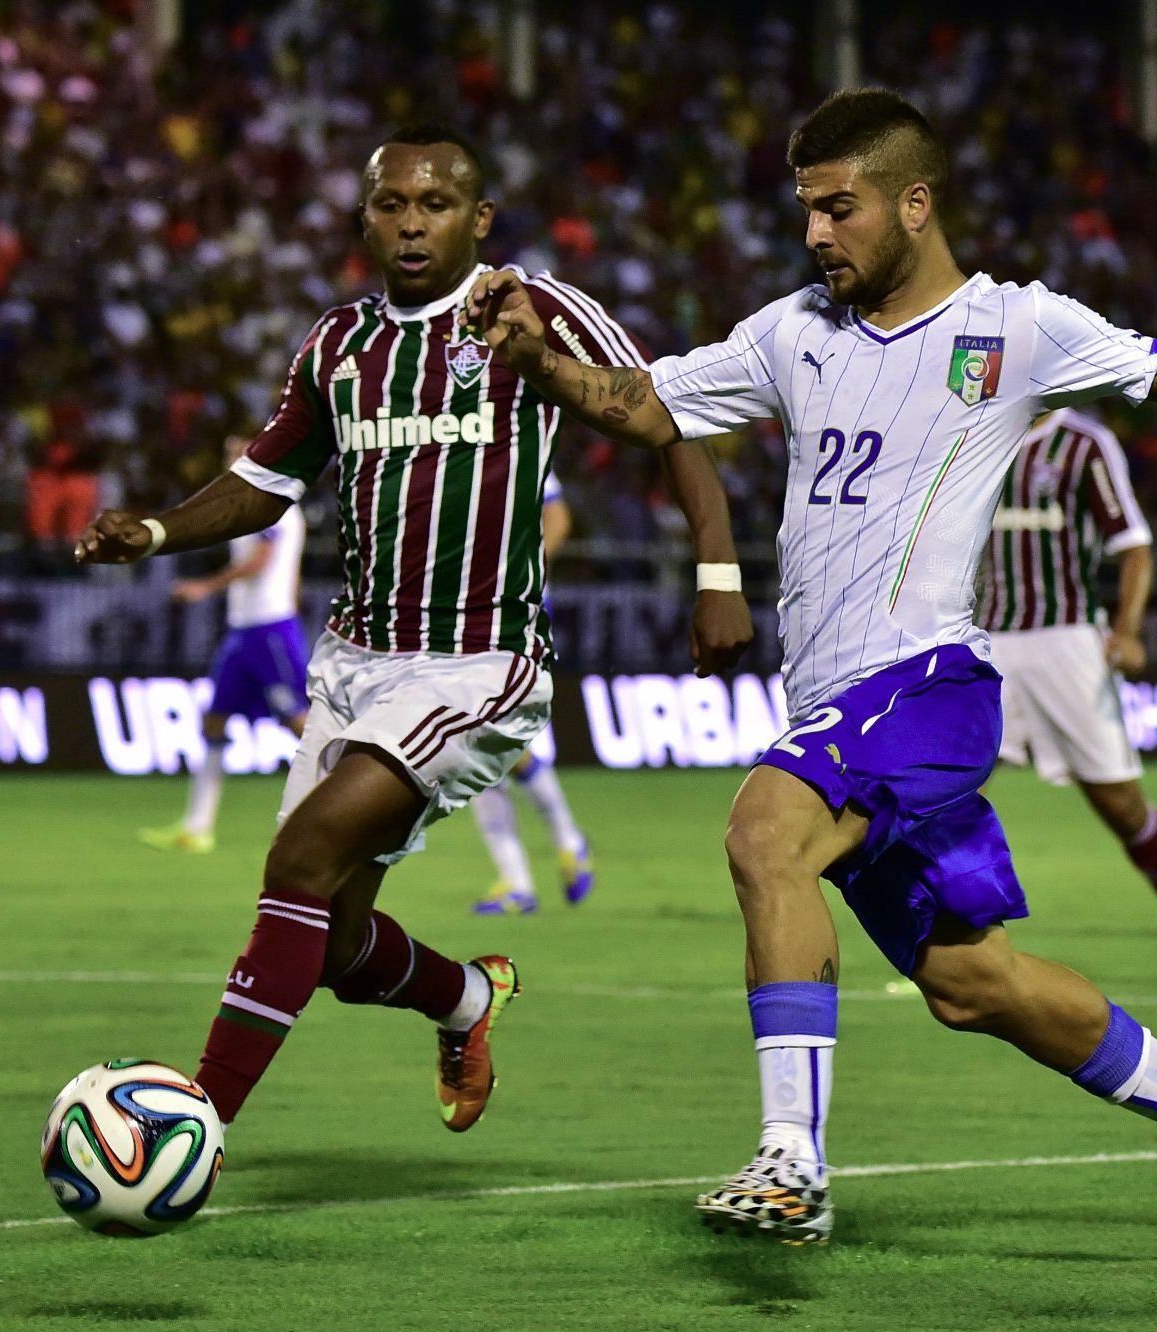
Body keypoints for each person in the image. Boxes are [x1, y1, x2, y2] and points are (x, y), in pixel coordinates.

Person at [474, 89, 1157, 1254]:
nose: (814, 233)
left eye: (839, 208)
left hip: (926, 684)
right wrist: (540, 360)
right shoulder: (791, 333)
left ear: (914, 204)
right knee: (973, 986)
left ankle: (792, 1161)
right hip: (836, 699)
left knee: (764, 834)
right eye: (806, 210)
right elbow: (647, 406)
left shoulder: (1017, 327)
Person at [76, 123, 751, 1138]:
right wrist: (160, 530)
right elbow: (265, 481)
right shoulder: (340, 345)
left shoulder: (536, 310)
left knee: (299, 860)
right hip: (353, 663)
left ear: (478, 218)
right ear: (365, 219)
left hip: (477, 664)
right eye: (391, 204)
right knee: (333, 943)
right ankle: (467, 1001)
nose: (410, 223)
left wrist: (718, 573)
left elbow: (666, 418)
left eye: (434, 204)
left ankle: (196, 1125)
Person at [977, 407, 1157, 991]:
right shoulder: (972, 427)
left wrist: (1128, 631)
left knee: (1121, 805)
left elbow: (1134, 547)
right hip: (985, 642)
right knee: (954, 798)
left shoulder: (1083, 444)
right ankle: (942, 949)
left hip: (1068, 640)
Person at [140, 436, 310, 855]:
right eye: (228, 454)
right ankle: (197, 827)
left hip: (270, 629)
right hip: (244, 630)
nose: (231, 461)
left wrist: (205, 586)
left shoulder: (274, 502)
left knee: (302, 725)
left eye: (239, 454)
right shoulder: (252, 505)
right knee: (214, 721)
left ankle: (354, 808)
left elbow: (261, 561)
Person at [472, 468, 596, 914]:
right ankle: (524, 876)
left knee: (487, 736)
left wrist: (520, 575)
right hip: (470, 612)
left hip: (514, 613)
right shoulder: (457, 450)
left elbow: (557, 518)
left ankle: (558, 847)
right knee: (474, 740)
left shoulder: (525, 445)